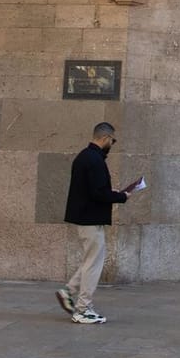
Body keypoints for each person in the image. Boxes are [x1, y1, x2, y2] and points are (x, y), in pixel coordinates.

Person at [56, 122, 135, 325]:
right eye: (112, 140)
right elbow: (98, 193)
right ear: (105, 138)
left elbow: (94, 190)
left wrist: (114, 193)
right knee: (94, 264)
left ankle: (68, 292)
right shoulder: (95, 160)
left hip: (86, 218)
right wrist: (122, 197)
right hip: (90, 219)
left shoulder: (86, 157)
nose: (112, 144)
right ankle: (83, 309)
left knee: (90, 260)